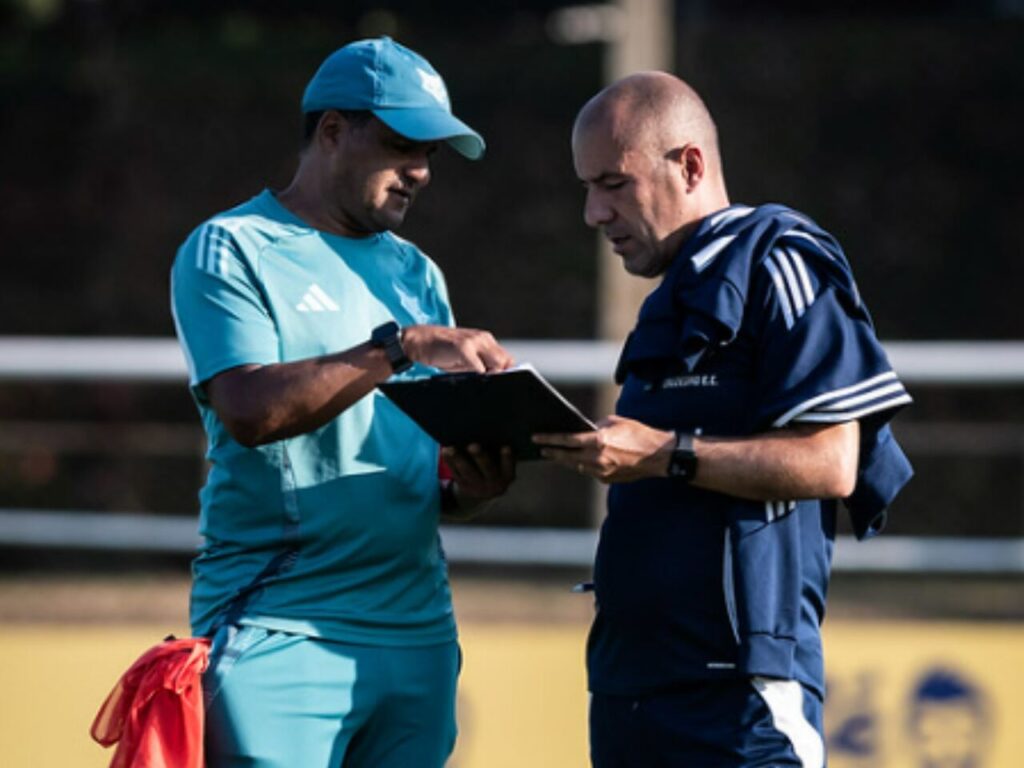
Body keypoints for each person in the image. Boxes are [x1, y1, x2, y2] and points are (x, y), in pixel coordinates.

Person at [534, 72, 914, 767]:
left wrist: (665, 453)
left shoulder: (781, 259)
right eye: (585, 188)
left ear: (690, 165)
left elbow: (832, 462)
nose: (593, 212)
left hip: (739, 700)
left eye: (613, 184)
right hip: (628, 689)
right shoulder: (668, 295)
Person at [170, 37, 516, 768]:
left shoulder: (418, 272)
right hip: (279, 630)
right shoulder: (231, 248)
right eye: (401, 145)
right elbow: (250, 411)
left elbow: (414, 461)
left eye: (432, 153)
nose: (420, 171)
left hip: (418, 631)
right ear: (332, 132)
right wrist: (399, 346)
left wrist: (468, 487)